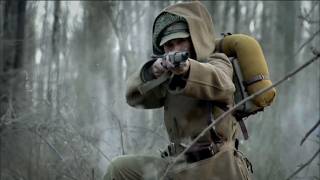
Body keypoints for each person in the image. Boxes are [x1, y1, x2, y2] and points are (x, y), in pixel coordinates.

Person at [104, 1, 252, 180]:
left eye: (181, 42)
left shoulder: (217, 60)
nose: (174, 50)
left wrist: (188, 69)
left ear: (194, 40)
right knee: (119, 169)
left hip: (216, 168)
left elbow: (224, 84)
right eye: (169, 45)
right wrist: (152, 72)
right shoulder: (168, 75)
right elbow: (134, 98)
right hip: (178, 166)